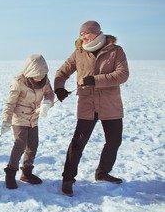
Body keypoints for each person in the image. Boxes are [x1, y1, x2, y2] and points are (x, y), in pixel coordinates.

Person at [54, 20, 129, 197]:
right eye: (81, 34)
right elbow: (62, 72)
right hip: (87, 105)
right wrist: (59, 88)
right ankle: (67, 179)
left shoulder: (115, 51)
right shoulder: (79, 53)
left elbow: (122, 74)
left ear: (96, 32)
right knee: (78, 143)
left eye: (86, 33)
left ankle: (103, 172)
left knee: (114, 141)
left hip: (110, 105)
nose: (83, 37)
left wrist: (96, 80)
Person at [1, 54, 55, 189]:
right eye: (36, 74)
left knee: (33, 145)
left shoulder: (45, 80)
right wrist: (6, 121)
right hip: (19, 118)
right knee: (20, 144)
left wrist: (47, 103)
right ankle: (10, 173)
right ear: (29, 72)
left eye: (42, 74)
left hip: (34, 118)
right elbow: (10, 104)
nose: (40, 77)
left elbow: (49, 93)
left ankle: (27, 172)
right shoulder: (19, 82)